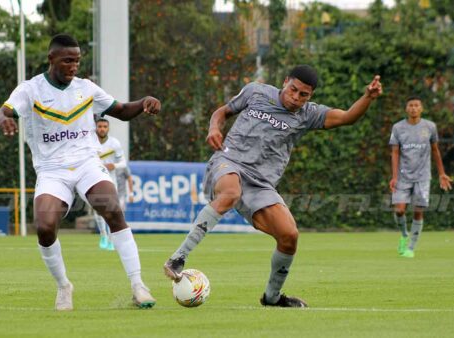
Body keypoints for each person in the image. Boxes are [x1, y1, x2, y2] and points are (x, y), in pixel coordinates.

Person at [163, 65, 383, 308]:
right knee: (231, 193)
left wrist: (368, 97)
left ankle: (272, 298)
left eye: (304, 95)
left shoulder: (308, 114)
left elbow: (346, 117)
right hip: (229, 161)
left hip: (261, 183)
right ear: (285, 81)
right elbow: (222, 112)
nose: (296, 98)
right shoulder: (256, 92)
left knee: (289, 236)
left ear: (311, 96)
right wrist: (214, 128)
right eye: (293, 90)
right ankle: (177, 258)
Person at [0, 34, 161, 310]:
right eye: (68, 60)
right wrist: (2, 120)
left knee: (113, 209)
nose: (73, 66)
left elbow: (122, 111)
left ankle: (138, 285)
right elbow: (1, 112)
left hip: (86, 163)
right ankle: (64, 286)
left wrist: (143, 103)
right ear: (51, 59)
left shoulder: (87, 88)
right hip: (51, 170)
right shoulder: (30, 89)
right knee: (45, 228)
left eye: (77, 61)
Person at [389, 96, 452, 258]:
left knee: (418, 211)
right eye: (410, 105)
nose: (414, 108)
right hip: (403, 177)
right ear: (406, 108)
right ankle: (404, 234)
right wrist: (394, 176)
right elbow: (395, 153)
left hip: (423, 176)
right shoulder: (398, 128)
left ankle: (411, 247)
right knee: (399, 210)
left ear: (421, 108)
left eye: (417, 105)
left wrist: (442, 173)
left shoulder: (430, 127)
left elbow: (435, 150)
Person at [93, 117, 127, 251]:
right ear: (96, 127)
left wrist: (114, 165)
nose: (102, 129)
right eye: (100, 126)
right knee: (97, 209)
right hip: (94, 180)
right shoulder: (90, 143)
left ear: (108, 128)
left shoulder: (114, 143)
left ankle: (113, 239)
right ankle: (103, 235)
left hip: (110, 181)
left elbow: (123, 163)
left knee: (112, 210)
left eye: (104, 127)